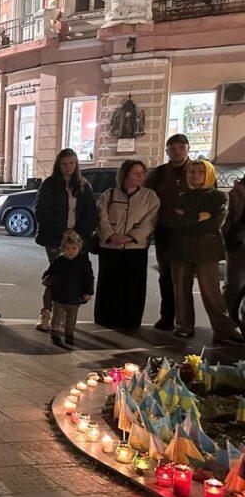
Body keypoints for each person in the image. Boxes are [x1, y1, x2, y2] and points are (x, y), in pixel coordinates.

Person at [169, 159, 243, 343]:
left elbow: (215, 224)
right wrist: (200, 217)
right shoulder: (180, 197)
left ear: (208, 174)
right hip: (180, 249)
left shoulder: (218, 196)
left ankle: (224, 328)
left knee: (212, 293)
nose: (195, 175)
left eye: (199, 172)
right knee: (181, 291)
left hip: (207, 250)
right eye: (191, 172)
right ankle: (183, 326)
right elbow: (176, 222)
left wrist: (189, 218)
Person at [33, 149, 97, 332]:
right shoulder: (50, 185)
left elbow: (90, 214)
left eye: (71, 163)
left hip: (77, 240)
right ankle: (46, 313)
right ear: (58, 165)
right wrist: (62, 232)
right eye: (64, 164)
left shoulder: (83, 185)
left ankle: (62, 316)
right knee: (57, 274)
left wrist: (79, 236)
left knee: (73, 276)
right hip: (55, 238)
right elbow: (41, 211)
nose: (68, 167)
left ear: (76, 165)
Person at [94, 159, 160, 329]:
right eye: (135, 173)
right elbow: (101, 216)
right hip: (110, 248)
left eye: (141, 173)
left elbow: (150, 221)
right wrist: (111, 235)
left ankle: (130, 320)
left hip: (135, 249)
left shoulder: (149, 197)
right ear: (124, 174)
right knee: (109, 285)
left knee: (133, 286)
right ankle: (106, 318)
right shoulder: (109, 195)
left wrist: (131, 236)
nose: (140, 177)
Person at [145, 134, 192, 330]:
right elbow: (147, 196)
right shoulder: (160, 172)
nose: (177, 151)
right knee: (165, 275)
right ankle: (167, 316)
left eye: (181, 147)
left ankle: (186, 321)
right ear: (167, 151)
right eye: (172, 148)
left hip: (189, 232)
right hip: (164, 231)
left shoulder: (198, 169)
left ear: (188, 148)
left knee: (185, 276)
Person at [42, 230, 94, 347]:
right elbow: (50, 272)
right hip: (59, 295)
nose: (71, 252)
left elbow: (88, 278)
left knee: (71, 318)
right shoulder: (59, 261)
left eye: (74, 249)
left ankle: (69, 334)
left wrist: (88, 292)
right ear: (63, 248)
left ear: (79, 248)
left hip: (74, 295)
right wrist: (46, 278)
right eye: (68, 249)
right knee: (57, 315)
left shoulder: (83, 263)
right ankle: (55, 332)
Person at [223, 174, 245, 328]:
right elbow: (227, 221)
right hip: (239, 243)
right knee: (234, 287)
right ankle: (230, 325)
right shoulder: (237, 192)